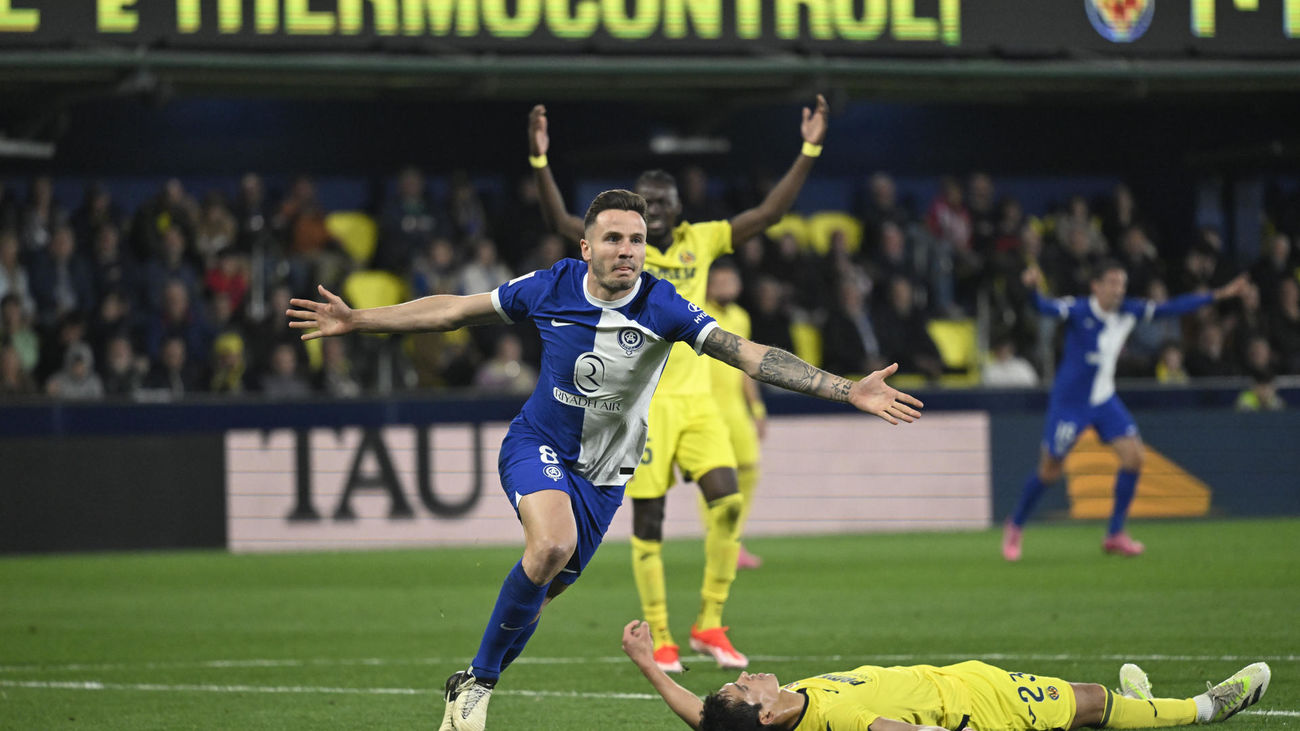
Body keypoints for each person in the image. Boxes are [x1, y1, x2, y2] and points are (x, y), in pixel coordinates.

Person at [287, 190, 923, 731]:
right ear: (586, 247)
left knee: (542, 591)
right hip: (537, 443)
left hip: (604, 481)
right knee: (548, 549)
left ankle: (468, 682)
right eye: (614, 238)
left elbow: (747, 352)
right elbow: (454, 310)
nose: (628, 250)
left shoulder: (662, 305)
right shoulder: (550, 285)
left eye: (638, 239)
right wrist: (359, 318)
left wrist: (846, 389)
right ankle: (479, 688)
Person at [528, 96, 830, 673]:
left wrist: (810, 148)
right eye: (648, 204)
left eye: (665, 202)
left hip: (698, 403)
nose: (657, 211)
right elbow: (562, 223)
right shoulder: (622, 248)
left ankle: (709, 624)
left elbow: (767, 214)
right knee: (650, 521)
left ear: (678, 207)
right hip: (641, 407)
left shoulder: (706, 238)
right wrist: (541, 164)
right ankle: (661, 636)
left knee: (728, 501)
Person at [1002, 263, 1248, 561]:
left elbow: (1172, 308)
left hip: (1104, 400)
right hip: (1070, 404)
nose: (1119, 289)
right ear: (1096, 286)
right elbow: (1042, 307)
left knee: (1134, 458)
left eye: (1122, 283)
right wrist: (1032, 287)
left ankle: (1115, 534)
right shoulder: (1079, 310)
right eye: (1112, 283)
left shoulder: (1129, 311)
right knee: (1050, 472)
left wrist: (1219, 294)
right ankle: (1015, 524)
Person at [621, 619, 1271, 731]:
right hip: (980, 706)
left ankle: (1146, 703)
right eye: (745, 687)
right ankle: (1204, 707)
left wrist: (652, 669)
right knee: (1092, 701)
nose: (750, 675)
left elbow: (707, 721)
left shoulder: (765, 716)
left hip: (961, 678)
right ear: (764, 713)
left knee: (1095, 705)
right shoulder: (841, 720)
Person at [704, 260, 768, 570]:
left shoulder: (741, 317)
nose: (727, 286)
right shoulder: (698, 313)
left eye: (732, 280)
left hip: (735, 409)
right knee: (714, 477)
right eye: (721, 281)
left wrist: (756, 408)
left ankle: (733, 539)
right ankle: (719, 543)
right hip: (706, 410)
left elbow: (747, 366)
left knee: (750, 469)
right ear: (709, 284)